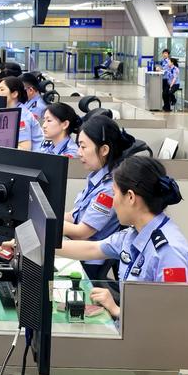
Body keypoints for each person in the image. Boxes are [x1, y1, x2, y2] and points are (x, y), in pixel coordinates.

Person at [55, 156, 188, 318]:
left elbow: (173, 317)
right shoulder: (133, 234)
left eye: (114, 194)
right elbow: (92, 248)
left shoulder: (169, 253)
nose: (113, 202)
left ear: (130, 197)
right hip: (130, 332)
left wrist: (116, 310)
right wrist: (40, 242)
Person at [63, 115, 135, 281]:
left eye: (83, 147)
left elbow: (82, 232)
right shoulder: (96, 177)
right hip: (78, 251)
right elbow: (74, 215)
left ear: (104, 150)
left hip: (88, 262)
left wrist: (47, 225)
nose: (78, 153)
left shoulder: (109, 189)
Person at [0, 76, 44, 151]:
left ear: (14, 94)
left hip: (35, 158)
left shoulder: (21, 116)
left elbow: (24, 149)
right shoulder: (11, 111)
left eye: (2, 90)